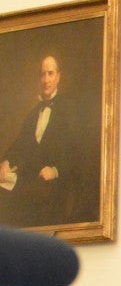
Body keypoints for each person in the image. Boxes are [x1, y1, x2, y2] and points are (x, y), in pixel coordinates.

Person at [0, 55, 93, 228]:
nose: (46, 80)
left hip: (58, 187)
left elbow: (79, 152)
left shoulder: (69, 109)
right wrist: (6, 161)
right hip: (33, 186)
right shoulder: (34, 112)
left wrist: (56, 170)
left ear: (58, 77)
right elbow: (20, 144)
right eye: (43, 74)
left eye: (50, 74)